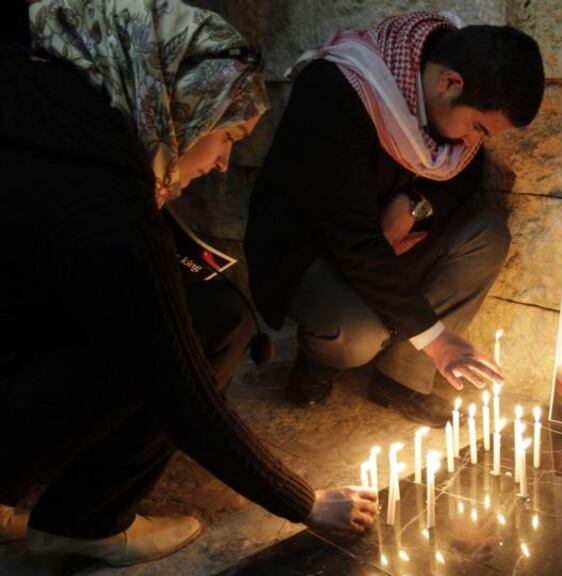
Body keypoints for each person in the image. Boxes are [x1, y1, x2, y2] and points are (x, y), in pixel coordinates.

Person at [0, 0, 376, 566]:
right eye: (230, 135)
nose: (225, 162)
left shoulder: (41, 107)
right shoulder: (106, 203)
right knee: (215, 318)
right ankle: (87, 523)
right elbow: (182, 391)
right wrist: (304, 501)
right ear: (185, 107)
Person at [244, 12, 545, 424]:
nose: (474, 142)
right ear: (450, 84)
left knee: (487, 235)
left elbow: (462, 178)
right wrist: (438, 340)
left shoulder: (445, 97)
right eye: (477, 127)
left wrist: (414, 203)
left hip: (384, 243)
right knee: (359, 334)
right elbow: (352, 241)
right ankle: (319, 361)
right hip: (312, 247)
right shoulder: (338, 90)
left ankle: (401, 377)